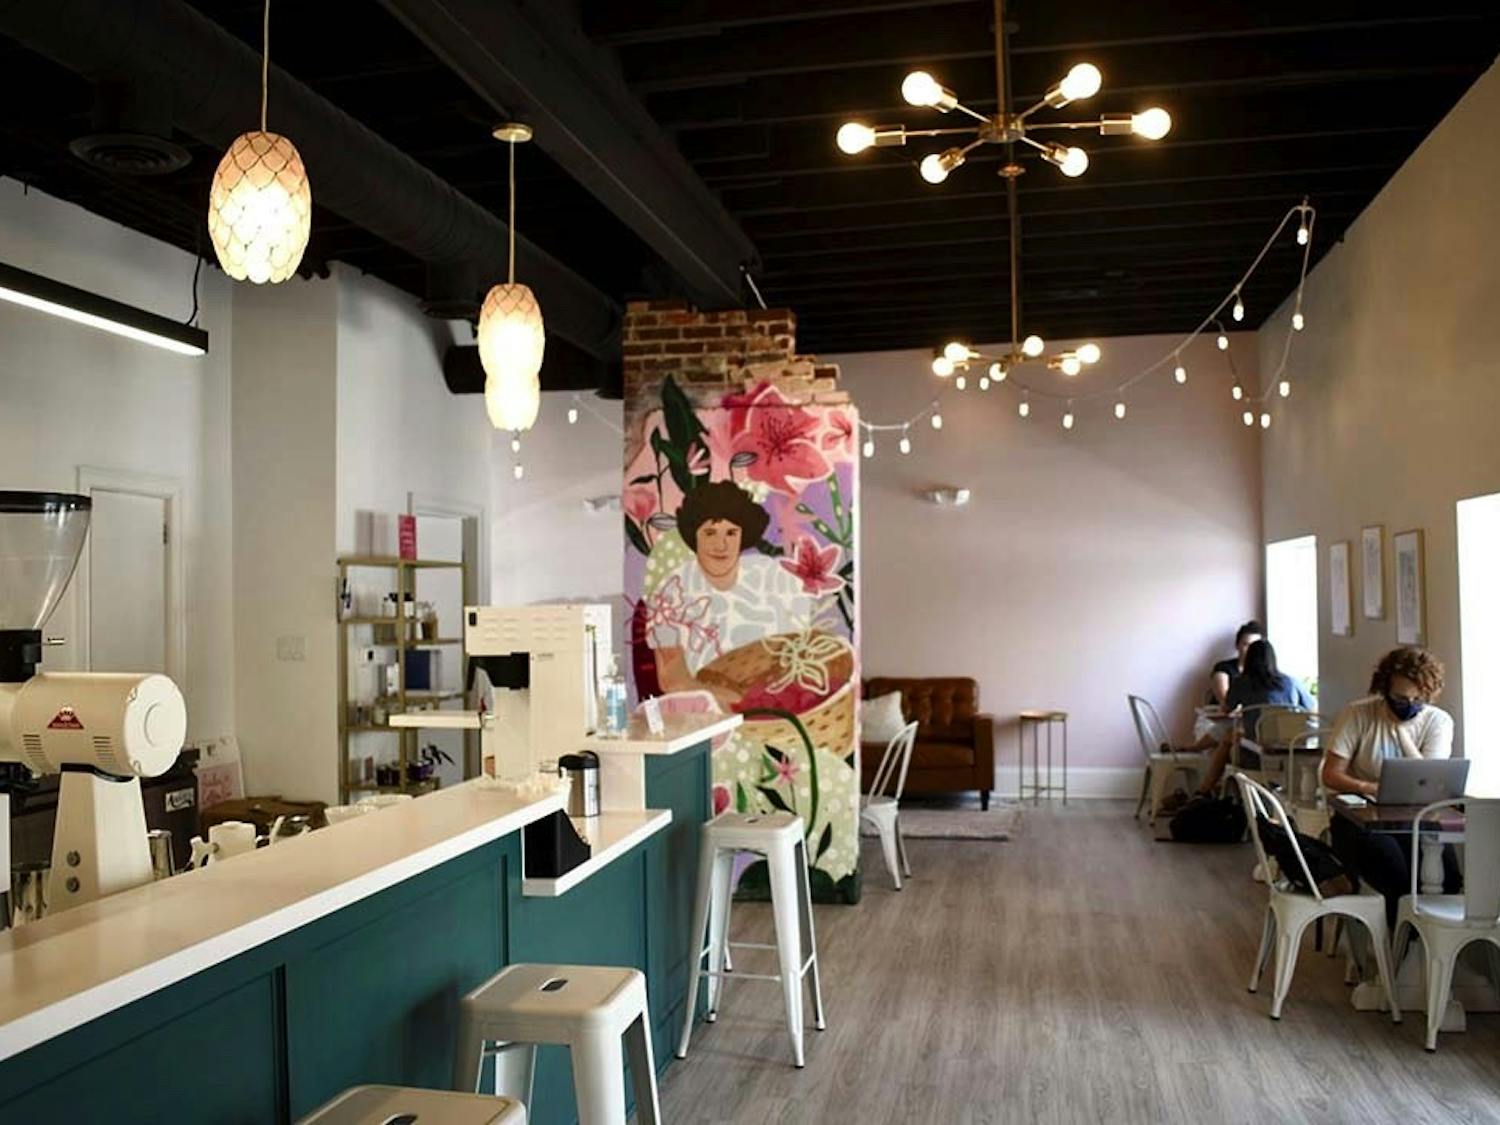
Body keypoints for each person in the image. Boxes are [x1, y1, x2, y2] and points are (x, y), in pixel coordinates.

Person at [648, 481, 811, 710]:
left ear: (744, 535)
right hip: (705, 717)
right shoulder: (671, 592)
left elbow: (801, 653)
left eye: (731, 532)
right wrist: (737, 700)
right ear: (694, 535)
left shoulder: (774, 577)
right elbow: (672, 680)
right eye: (710, 532)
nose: (721, 544)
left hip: (776, 710)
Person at [1325, 647, 1459, 923]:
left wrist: (1402, 734)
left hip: (1416, 820)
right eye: (1399, 698)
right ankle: (1396, 953)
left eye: (1417, 699)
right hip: (1359, 820)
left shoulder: (1438, 721)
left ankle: (1421, 950)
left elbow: (1429, 779)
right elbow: (1331, 774)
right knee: (1395, 874)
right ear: (1384, 689)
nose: (1408, 705)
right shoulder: (1357, 714)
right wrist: (1369, 787)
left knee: (1448, 879)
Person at [1193, 639, 1313, 795]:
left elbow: (1226, 708)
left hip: (1254, 755)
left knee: (1229, 736)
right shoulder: (1291, 682)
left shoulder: (1242, 683)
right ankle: (1214, 789)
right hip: (1290, 757)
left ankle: (1207, 789)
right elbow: (1310, 708)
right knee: (1232, 734)